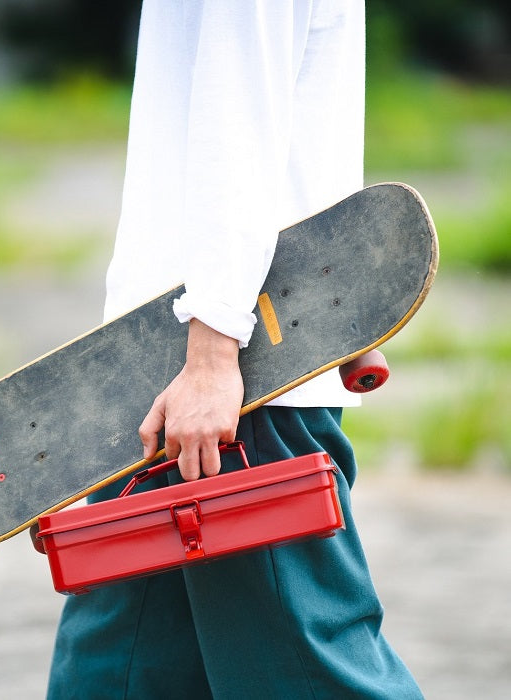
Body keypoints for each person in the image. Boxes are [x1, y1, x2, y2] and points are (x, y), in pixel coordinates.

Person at [45, 1, 423, 697]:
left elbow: (238, 122)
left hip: (236, 377)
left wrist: (214, 352)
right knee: (113, 676)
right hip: (160, 369)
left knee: (314, 674)